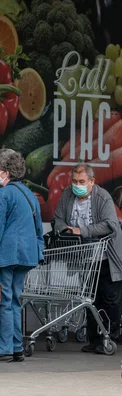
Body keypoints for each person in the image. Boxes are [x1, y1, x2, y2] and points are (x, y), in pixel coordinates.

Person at [54, 163, 122, 354]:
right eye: (74, 181)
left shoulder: (102, 197)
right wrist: (64, 230)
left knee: (109, 299)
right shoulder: (67, 195)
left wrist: (82, 231)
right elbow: (58, 218)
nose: (77, 185)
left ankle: (109, 338)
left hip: (106, 255)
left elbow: (110, 225)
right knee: (90, 299)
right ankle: (94, 339)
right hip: (85, 257)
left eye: (82, 181)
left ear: (91, 182)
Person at [0, 149, 44, 363]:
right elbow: (38, 230)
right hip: (26, 257)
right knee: (15, 300)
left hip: (7, 255)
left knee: (4, 301)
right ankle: (17, 347)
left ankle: (5, 348)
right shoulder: (30, 195)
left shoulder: (5, 194)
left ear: (5, 172)